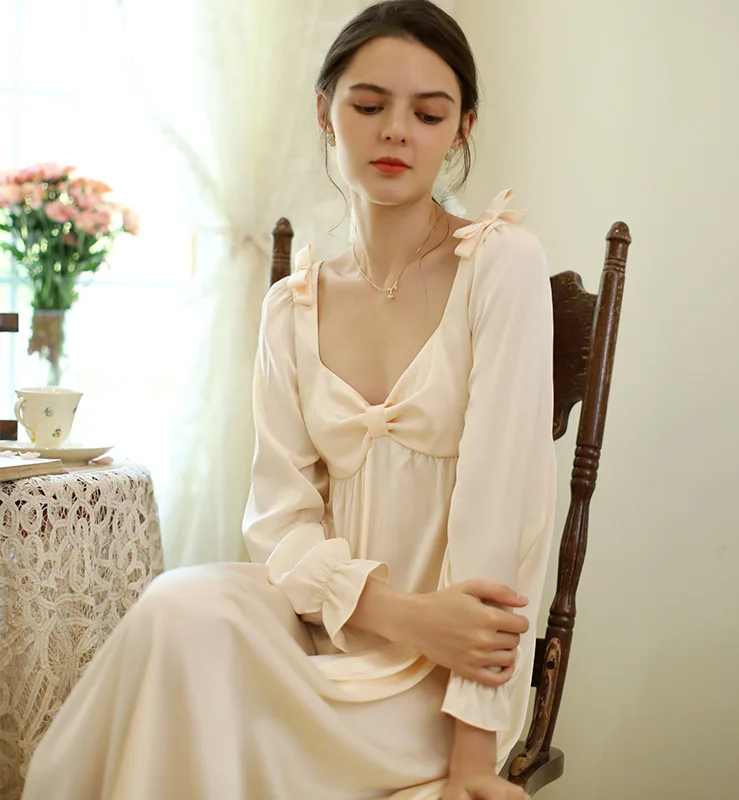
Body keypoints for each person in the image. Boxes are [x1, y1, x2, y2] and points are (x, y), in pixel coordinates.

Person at [22, 1, 556, 798]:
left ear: (462, 130)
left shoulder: (501, 265)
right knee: (178, 611)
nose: (396, 132)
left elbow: (499, 518)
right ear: (325, 111)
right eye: (368, 105)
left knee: (206, 710)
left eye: (428, 114)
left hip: (441, 682)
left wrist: (473, 761)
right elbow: (279, 522)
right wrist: (393, 611)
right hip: (323, 627)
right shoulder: (292, 306)